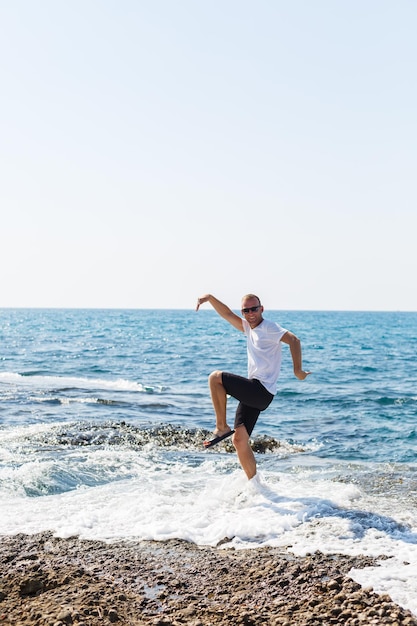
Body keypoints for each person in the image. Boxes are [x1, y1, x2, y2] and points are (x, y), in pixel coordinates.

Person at [196, 293, 311, 480]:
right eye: (246, 310)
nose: (250, 313)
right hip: (255, 393)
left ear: (261, 309)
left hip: (261, 390)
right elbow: (226, 314)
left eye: (254, 309)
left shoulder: (269, 327)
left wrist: (297, 370)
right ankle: (254, 485)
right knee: (239, 440)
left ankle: (221, 426)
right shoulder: (248, 328)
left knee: (215, 378)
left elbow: (294, 340)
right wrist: (209, 298)